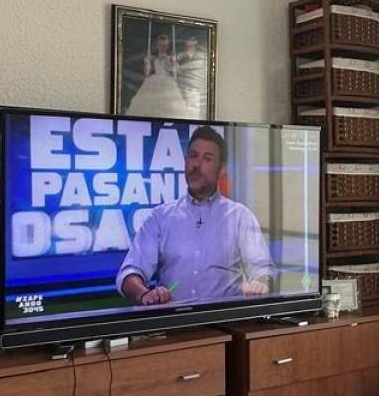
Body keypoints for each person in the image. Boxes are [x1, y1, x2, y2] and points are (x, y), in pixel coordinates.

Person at [117, 126, 273, 305]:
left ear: (221, 168)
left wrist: (261, 285)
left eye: (207, 158)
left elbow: (262, 270)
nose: (196, 165)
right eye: (193, 156)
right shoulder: (160, 218)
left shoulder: (240, 217)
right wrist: (144, 294)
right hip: (173, 320)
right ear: (185, 161)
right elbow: (130, 272)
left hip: (225, 320)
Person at [125, 31, 192, 117]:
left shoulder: (170, 58)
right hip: (155, 80)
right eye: (160, 45)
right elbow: (147, 74)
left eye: (164, 45)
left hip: (167, 81)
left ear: (167, 46)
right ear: (157, 46)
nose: (162, 47)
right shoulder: (153, 58)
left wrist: (173, 64)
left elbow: (177, 71)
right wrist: (147, 63)